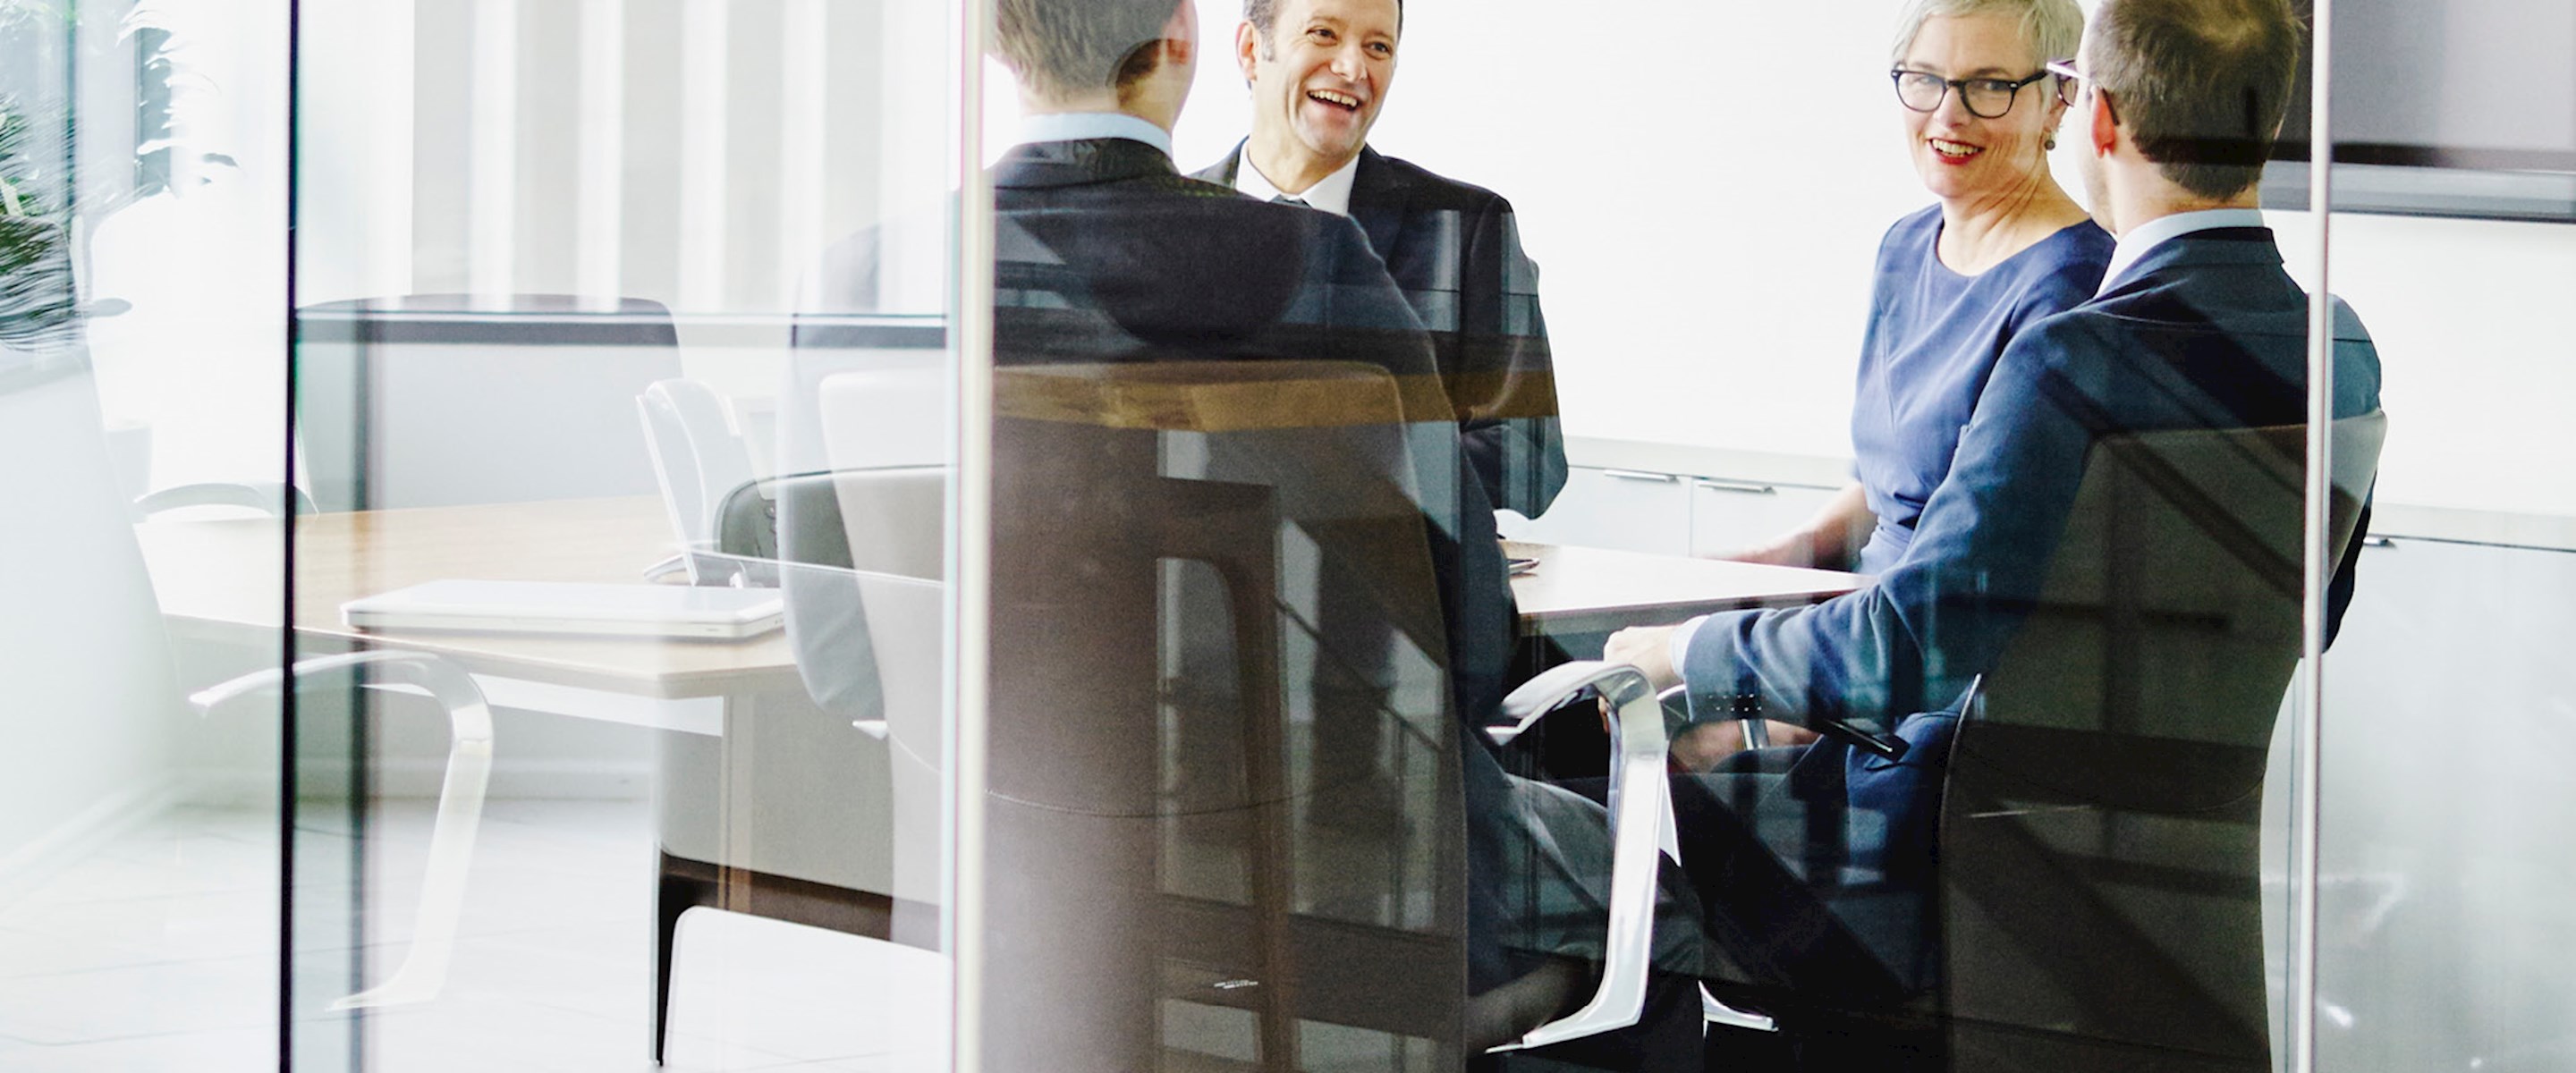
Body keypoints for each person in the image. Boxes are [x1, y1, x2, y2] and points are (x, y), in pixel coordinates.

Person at [1604, 0, 2380, 1055]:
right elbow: (2304, 619)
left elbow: (1909, 652)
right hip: (2142, 871)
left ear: (2092, 115)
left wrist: (1687, 653)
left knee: (1593, 821)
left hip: (1930, 844)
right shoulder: (2337, 345)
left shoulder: (2072, 354)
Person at [1692, 0, 2112, 771]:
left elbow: (1984, 580)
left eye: (1988, 86)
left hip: (1924, 676)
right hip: (1850, 634)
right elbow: (1896, 483)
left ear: (2059, 100)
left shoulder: (2072, 287)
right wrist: (1799, 546)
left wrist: (1791, 715)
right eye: (1925, 80)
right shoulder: (1906, 245)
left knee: (1678, 736)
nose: (1947, 115)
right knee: (1597, 702)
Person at [1193, 0, 1568, 520]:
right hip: (1189, 578)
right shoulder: (1163, 223)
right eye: (1324, 34)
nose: (1354, 69)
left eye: (1378, 47)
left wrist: (1347, 484)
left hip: (1398, 584)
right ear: (1253, 50)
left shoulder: (1466, 227)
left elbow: (1531, 456)